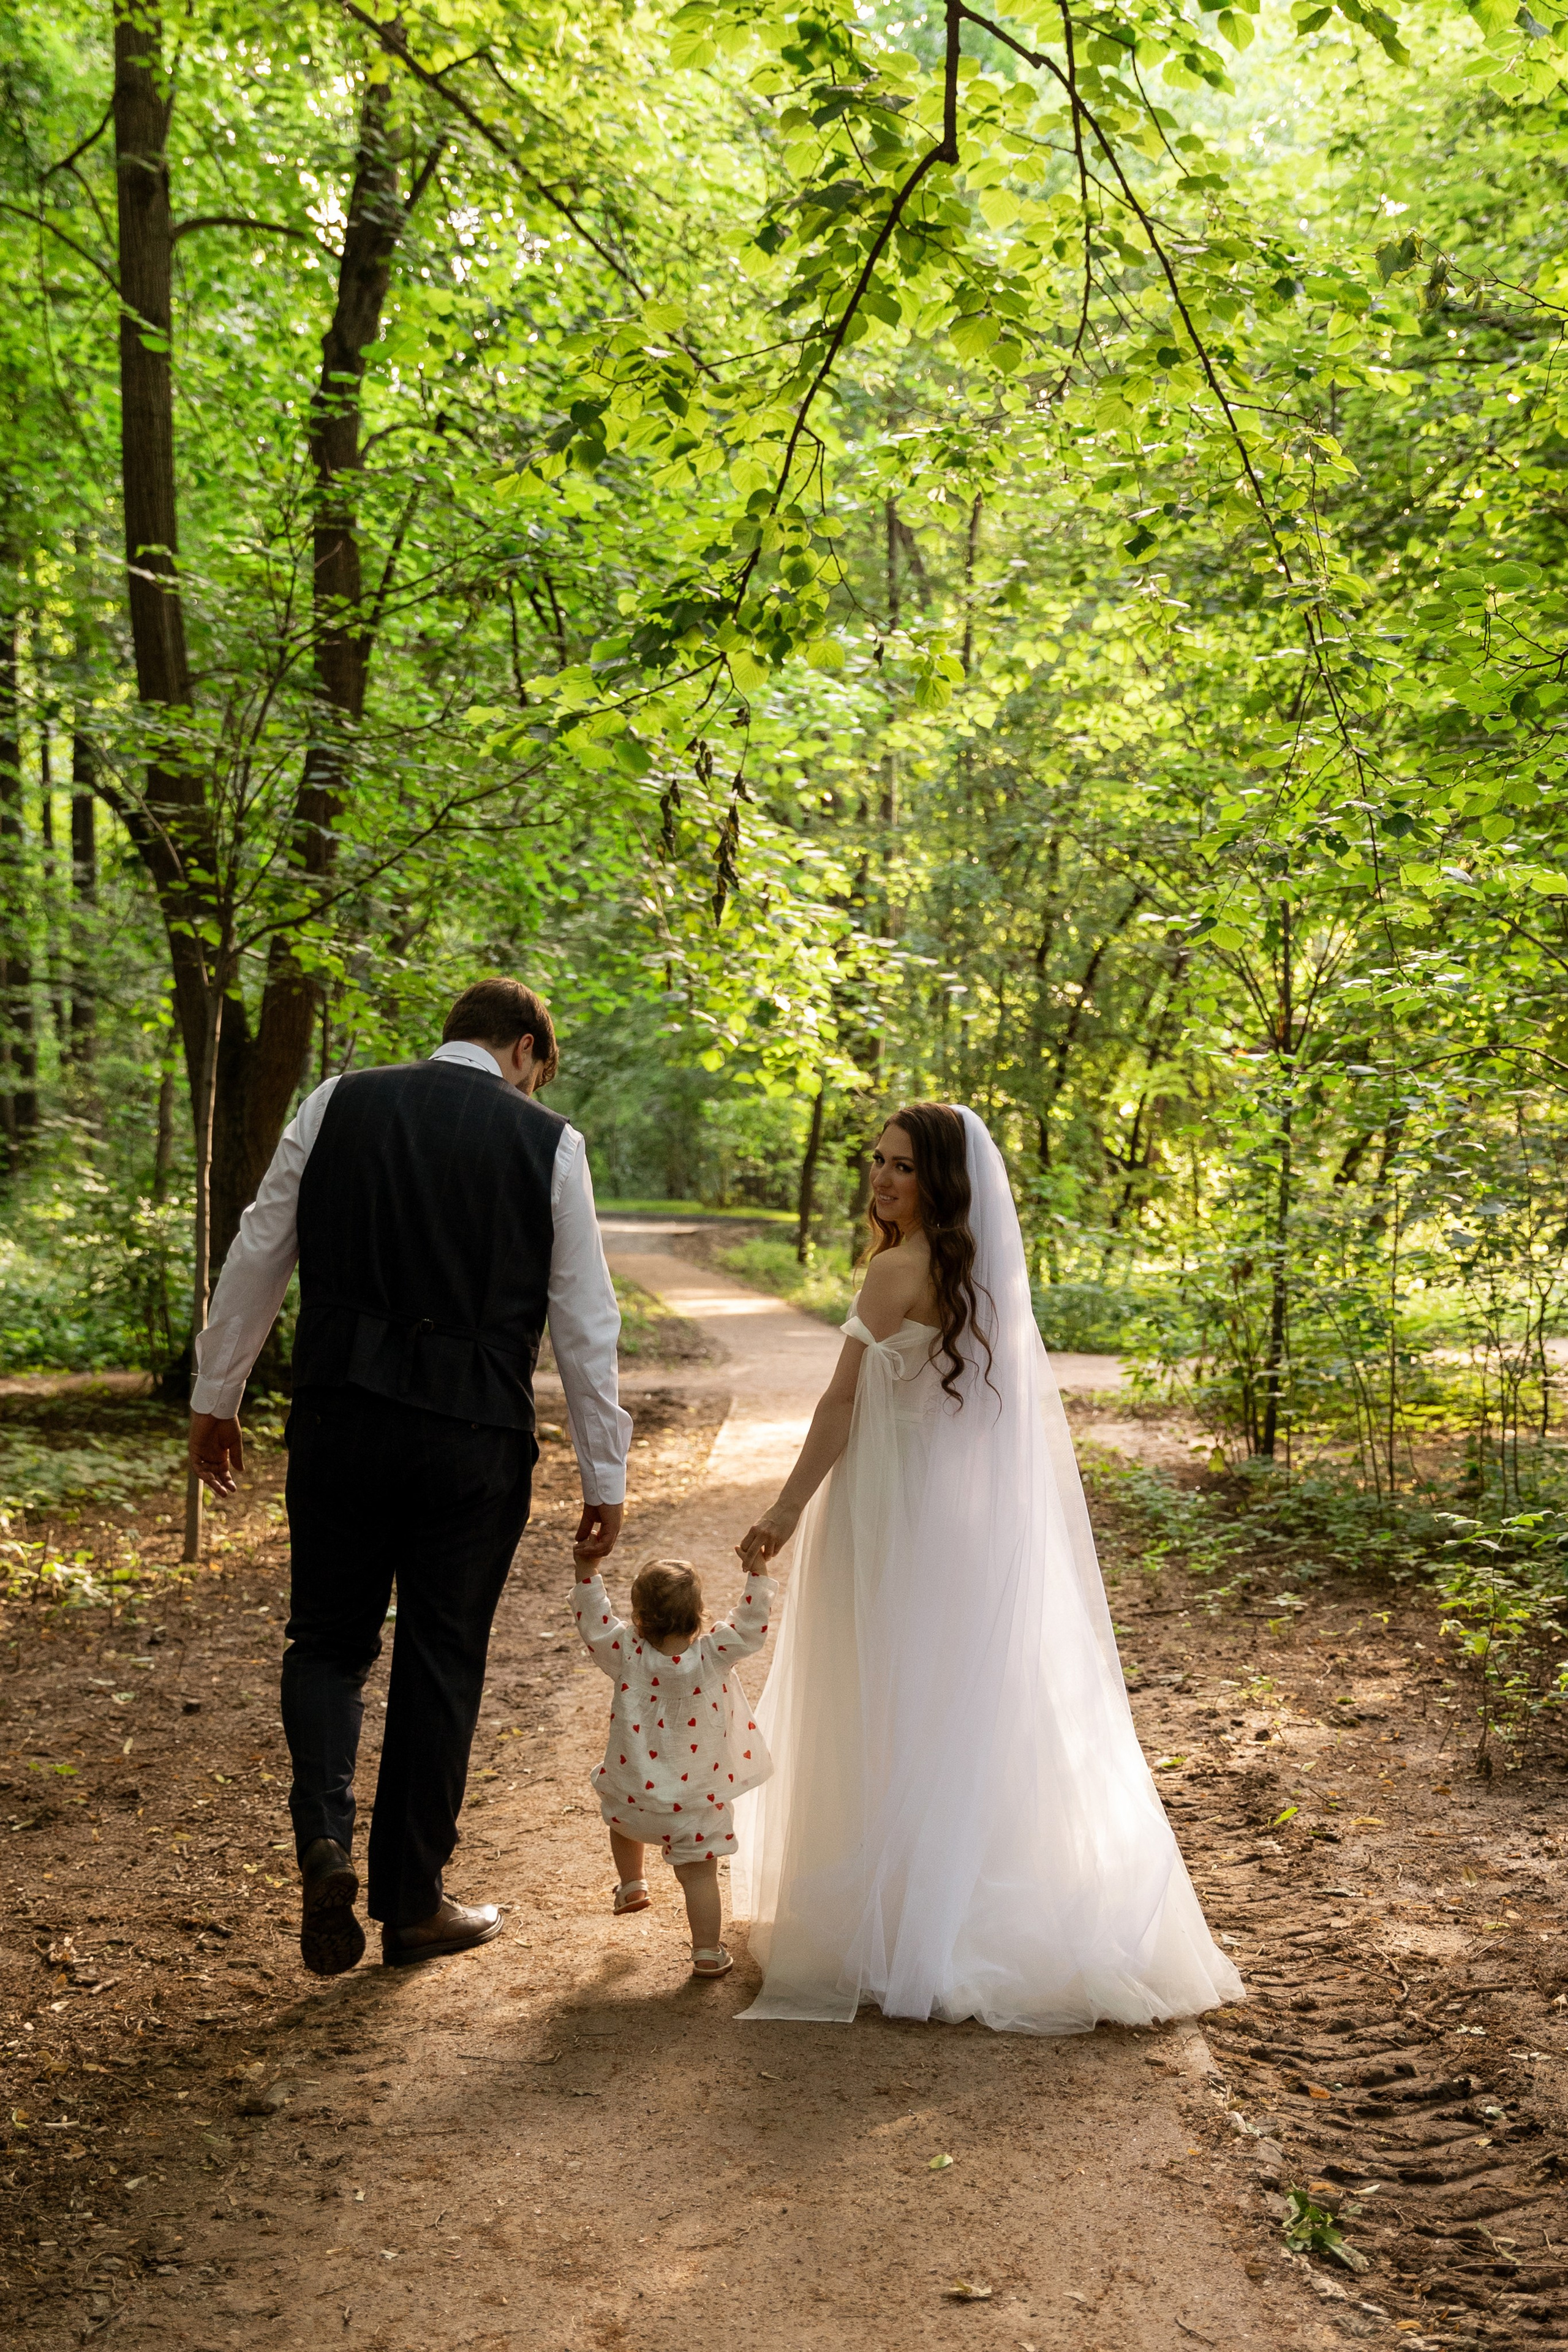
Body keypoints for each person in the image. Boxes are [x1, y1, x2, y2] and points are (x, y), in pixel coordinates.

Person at [731, 1101, 1243, 2033]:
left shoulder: (892, 1273)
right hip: (957, 1526)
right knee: (952, 1706)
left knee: (884, 1696)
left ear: (943, 1181)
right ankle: (938, 1905)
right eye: (877, 1163)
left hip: (888, 1520)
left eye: (904, 1168)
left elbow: (840, 1407)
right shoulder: (982, 1278)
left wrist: (785, 1507)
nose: (883, 1180)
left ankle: (898, 1923)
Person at [187, 978, 631, 1974]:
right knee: (441, 1658)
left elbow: (262, 1246)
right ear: (525, 1049)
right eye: (538, 1072)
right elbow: (585, 1323)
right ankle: (412, 1902)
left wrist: (217, 1395)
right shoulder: (547, 1143)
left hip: (340, 1414)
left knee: (327, 1641)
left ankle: (326, 1837)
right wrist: (606, 1472)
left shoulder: (339, 1101)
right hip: (471, 1440)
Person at [572, 1550, 775, 1978]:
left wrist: (587, 1571)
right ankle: (706, 1951)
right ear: (699, 1616)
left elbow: (594, 1623)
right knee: (699, 1876)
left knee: (618, 1819)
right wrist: (757, 1576)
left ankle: (632, 1885)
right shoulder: (715, 1653)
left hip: (635, 1799)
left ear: (640, 1618)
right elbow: (750, 1627)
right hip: (696, 1805)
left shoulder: (625, 1651)